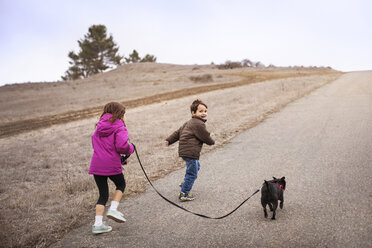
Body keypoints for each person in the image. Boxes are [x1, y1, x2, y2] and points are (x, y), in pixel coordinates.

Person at [89, 102, 134, 234]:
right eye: (124, 114)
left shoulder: (99, 127)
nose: (125, 117)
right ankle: (113, 209)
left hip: (97, 164)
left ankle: (97, 224)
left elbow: (95, 143)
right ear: (120, 114)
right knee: (121, 184)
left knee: (103, 194)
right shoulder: (119, 126)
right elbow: (122, 146)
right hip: (111, 163)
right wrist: (131, 148)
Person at [165, 99, 215, 201]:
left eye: (205, 111)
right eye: (200, 111)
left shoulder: (189, 122)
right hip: (190, 151)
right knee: (192, 173)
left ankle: (186, 182)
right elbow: (205, 136)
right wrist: (211, 142)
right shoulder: (198, 124)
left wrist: (169, 140)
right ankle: (184, 193)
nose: (203, 113)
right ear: (193, 112)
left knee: (196, 167)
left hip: (185, 151)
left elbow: (178, 132)